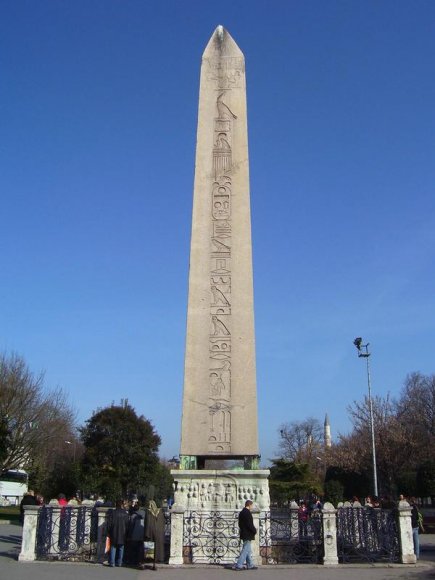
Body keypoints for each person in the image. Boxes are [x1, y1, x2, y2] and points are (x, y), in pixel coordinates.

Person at [234, 500, 258, 570]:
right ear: (249, 505)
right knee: (245, 550)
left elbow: (240, 524)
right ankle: (239, 565)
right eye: (252, 505)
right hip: (248, 533)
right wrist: (254, 530)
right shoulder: (247, 513)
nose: (252, 507)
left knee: (248, 550)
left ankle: (250, 565)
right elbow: (249, 524)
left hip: (244, 532)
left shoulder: (241, 512)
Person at [107, 499, 129, 567]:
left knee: (113, 547)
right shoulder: (125, 513)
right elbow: (127, 524)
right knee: (121, 547)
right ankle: (119, 562)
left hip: (114, 532)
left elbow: (109, 524)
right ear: (122, 505)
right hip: (123, 533)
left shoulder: (113, 513)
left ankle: (112, 562)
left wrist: (108, 531)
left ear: (116, 505)